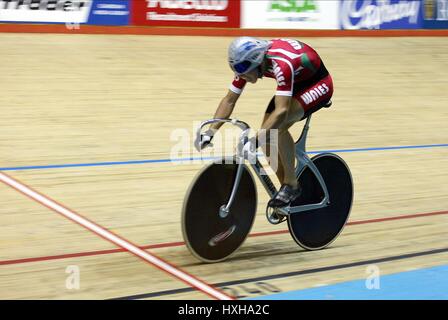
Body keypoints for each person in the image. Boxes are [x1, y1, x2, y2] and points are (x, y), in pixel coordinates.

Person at [196, 37, 333, 208]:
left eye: (244, 70)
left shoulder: (281, 65)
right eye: (237, 70)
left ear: (256, 60)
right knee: (267, 138)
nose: (241, 75)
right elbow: (229, 100)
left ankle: (292, 185)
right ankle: (285, 194)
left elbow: (281, 111)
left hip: (318, 83)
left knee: (278, 127)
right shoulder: (246, 62)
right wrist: (210, 132)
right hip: (296, 81)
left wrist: (255, 141)